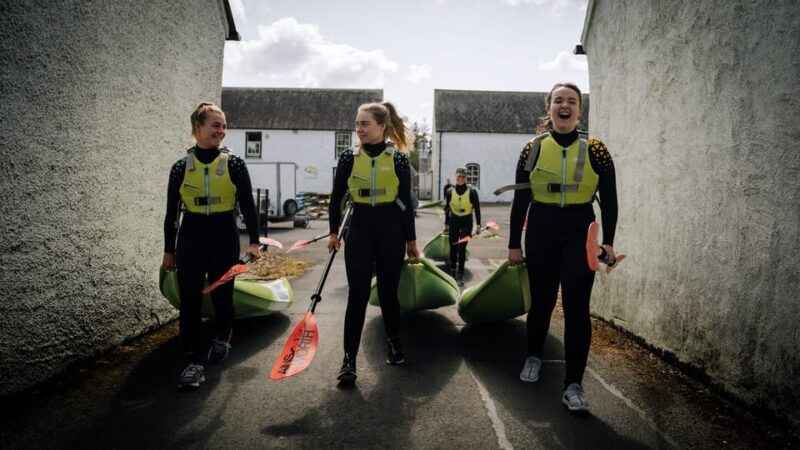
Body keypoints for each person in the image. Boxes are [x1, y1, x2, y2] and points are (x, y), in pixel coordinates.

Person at [507, 83, 618, 413]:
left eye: (572, 101)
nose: (565, 105)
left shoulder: (596, 149)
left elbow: (610, 201)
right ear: (550, 107)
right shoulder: (532, 148)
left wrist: (608, 241)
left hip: (579, 232)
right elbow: (521, 200)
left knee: (576, 308)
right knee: (541, 301)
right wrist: (514, 243)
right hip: (541, 229)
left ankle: (573, 385)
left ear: (579, 110)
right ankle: (533, 357)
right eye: (559, 100)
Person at [162, 102, 262, 390]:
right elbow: (171, 214)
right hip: (191, 236)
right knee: (189, 300)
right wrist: (169, 250)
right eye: (216, 125)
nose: (222, 130)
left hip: (223, 234)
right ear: (198, 128)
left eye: (224, 125)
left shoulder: (234, 164)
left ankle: (222, 336)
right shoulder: (181, 167)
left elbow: (249, 206)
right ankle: (192, 361)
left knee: (222, 294)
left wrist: (254, 243)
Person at [328, 102, 420, 382]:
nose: (359, 129)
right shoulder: (348, 157)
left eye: (365, 124)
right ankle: (348, 360)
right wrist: (334, 233)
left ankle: (393, 343)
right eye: (357, 124)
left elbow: (405, 202)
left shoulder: (398, 159)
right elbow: (335, 198)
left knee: (389, 293)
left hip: (390, 229)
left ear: (382, 126)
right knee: (357, 295)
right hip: (359, 229)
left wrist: (411, 241)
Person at [443, 168, 481, 286]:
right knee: (453, 247)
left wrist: (478, 225)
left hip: (466, 221)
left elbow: (477, 209)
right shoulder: (449, 192)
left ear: (466, 178)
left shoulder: (472, 192)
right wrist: (446, 225)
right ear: (455, 176)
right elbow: (447, 209)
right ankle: (453, 270)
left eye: (463, 177)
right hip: (454, 220)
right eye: (459, 176)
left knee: (461, 248)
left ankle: (460, 274)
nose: (460, 179)